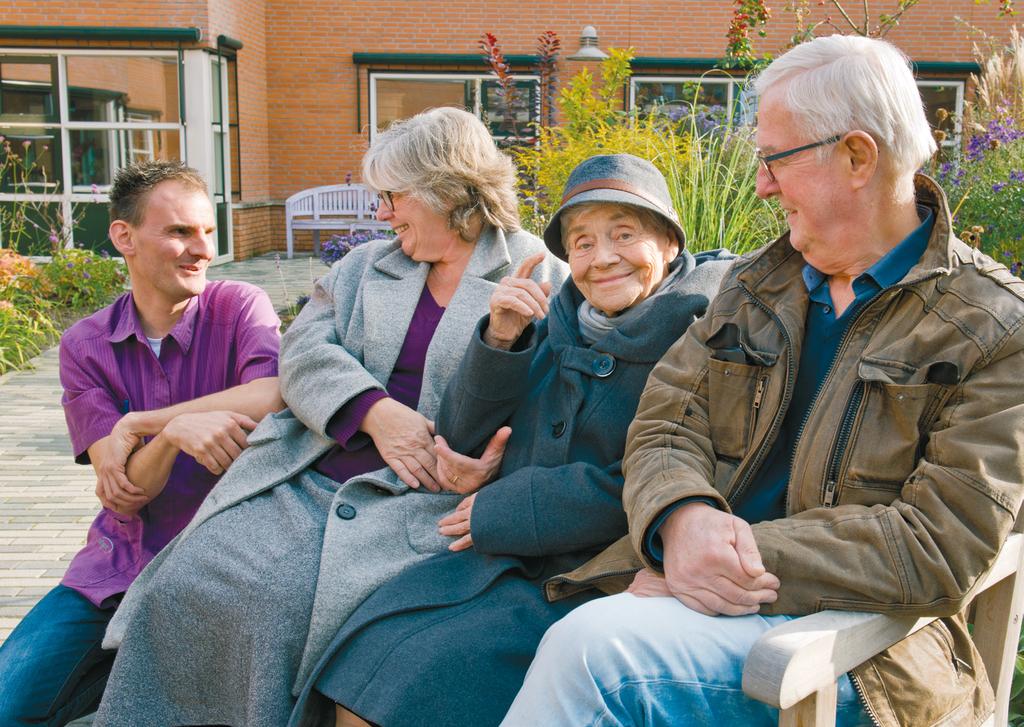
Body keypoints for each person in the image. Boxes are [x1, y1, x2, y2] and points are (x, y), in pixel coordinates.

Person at [504, 35, 1024, 727]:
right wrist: (681, 516)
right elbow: (665, 420)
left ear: (857, 156)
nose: (761, 186)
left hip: (861, 652)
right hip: (701, 596)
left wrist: (729, 555)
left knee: (591, 653)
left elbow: (939, 540)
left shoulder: (995, 325)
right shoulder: (757, 284)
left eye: (775, 159)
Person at [93, 107, 567, 727]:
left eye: (393, 196)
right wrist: (374, 412)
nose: (382, 214)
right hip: (307, 469)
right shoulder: (366, 266)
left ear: (448, 191)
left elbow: (555, 397)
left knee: (276, 603)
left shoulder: (537, 272)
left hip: (426, 499)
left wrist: (498, 463)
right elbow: (304, 355)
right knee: (189, 581)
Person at [283, 153, 735, 727]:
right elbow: (461, 435)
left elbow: (665, 477)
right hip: (504, 561)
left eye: (624, 235)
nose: (603, 259)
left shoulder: (700, 338)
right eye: (584, 242)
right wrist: (500, 338)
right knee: (358, 662)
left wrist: (505, 506)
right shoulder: (560, 316)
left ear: (670, 244)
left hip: (600, 573)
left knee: (418, 678)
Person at [0, 160, 283, 727]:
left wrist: (148, 422)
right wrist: (175, 434)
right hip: (119, 568)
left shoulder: (238, 306)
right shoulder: (86, 344)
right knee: (11, 706)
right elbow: (126, 490)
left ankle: (122, 671)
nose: (200, 249)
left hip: (228, 568)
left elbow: (273, 392)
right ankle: (111, 669)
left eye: (207, 231)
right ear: (124, 237)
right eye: (179, 231)